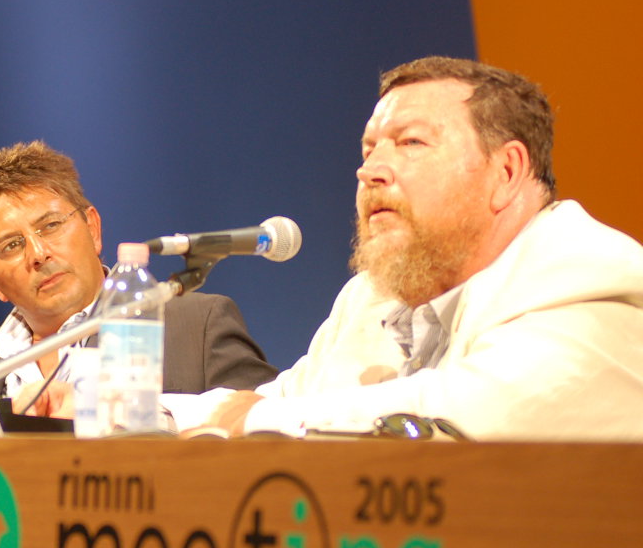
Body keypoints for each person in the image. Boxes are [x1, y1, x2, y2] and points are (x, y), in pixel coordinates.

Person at [206, 56, 643, 441]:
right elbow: (271, 399)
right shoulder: (369, 299)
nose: (370, 170)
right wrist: (153, 415)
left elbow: (473, 414)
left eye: (411, 142)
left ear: (507, 172)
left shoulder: (590, 277)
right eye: (369, 149)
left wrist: (263, 420)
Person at [0, 140, 276, 412]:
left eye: (51, 226)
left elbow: (273, 432)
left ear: (93, 228)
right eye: (12, 245)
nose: (38, 253)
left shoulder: (197, 326)